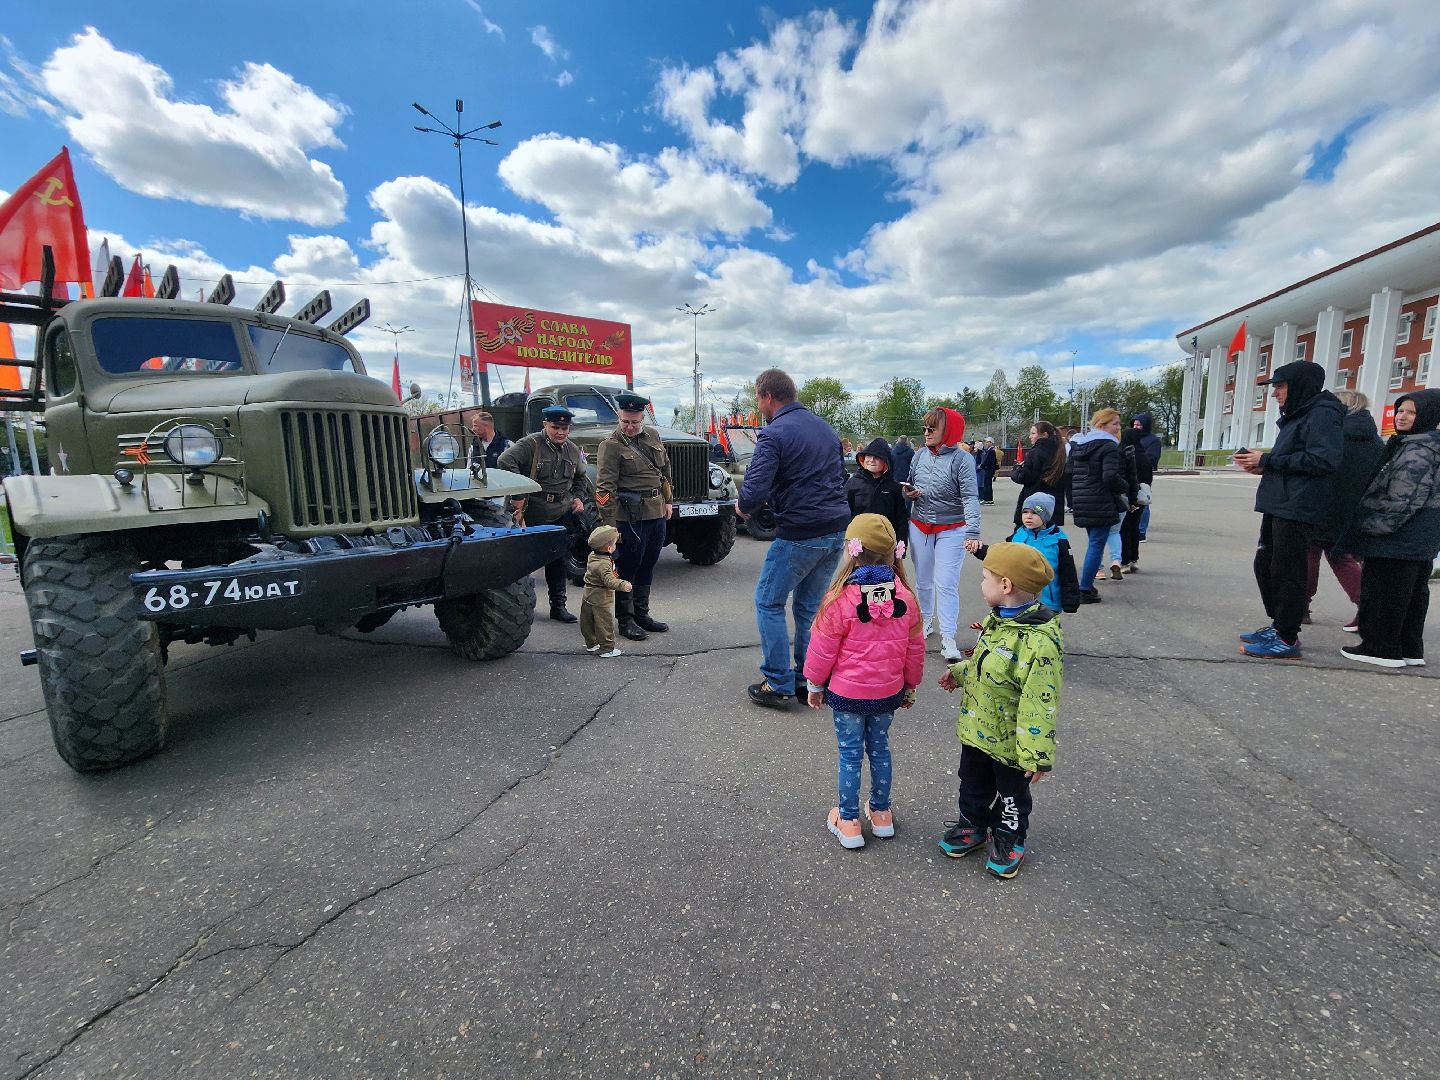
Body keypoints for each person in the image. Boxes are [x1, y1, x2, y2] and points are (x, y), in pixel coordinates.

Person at [936, 542, 1063, 879]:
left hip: (1010, 744)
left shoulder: (1039, 642)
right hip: (977, 729)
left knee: (1010, 797)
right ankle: (973, 825)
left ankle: (1008, 837)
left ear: (1005, 586)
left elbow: (1040, 701)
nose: (981, 584)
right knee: (972, 784)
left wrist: (1036, 754)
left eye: (985, 578)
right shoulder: (997, 620)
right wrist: (961, 673)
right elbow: (986, 662)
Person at [802, 514, 925, 849]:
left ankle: (849, 821)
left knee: (850, 753)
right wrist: (910, 685)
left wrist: (814, 684)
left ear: (851, 551)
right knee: (880, 749)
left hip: (847, 694)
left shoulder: (839, 599)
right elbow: (915, 649)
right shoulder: (906, 598)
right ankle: (882, 814)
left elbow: (821, 650)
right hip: (888, 693)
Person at [737, 369, 851, 709]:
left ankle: (777, 680)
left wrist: (742, 509)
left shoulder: (774, 433)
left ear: (768, 396)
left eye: (758, 399)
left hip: (800, 532)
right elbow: (840, 476)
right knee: (808, 607)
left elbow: (755, 488)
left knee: (769, 601)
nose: (758, 406)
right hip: (834, 530)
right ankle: (808, 679)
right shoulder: (825, 428)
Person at [1234, 361, 1344, 659]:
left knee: (1287, 571)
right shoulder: (1300, 414)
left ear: (1299, 386)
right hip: (1280, 502)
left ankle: (1287, 635)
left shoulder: (1322, 415)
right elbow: (1295, 459)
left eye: (1279, 387)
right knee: (1267, 564)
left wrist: (1268, 461)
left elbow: (1323, 461)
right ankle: (1280, 623)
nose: (1275, 394)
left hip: (1297, 507)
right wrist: (1261, 466)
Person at [1337, 390, 1440, 668]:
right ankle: (1408, 649)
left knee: (1385, 593)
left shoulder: (1418, 449)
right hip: (1420, 539)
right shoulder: (1426, 445)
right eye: (1400, 410)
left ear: (1428, 416)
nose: (1402, 416)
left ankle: (1380, 649)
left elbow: (1403, 498)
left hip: (1398, 538)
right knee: (1412, 596)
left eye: (1411, 412)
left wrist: (1372, 527)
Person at [497, 404, 590, 623]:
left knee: (557, 559)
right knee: (522, 560)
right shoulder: (530, 445)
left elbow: (580, 478)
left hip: (561, 511)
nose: (561, 432)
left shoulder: (573, 450)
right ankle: (518, 604)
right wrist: (519, 491)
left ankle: (558, 606)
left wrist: (577, 496)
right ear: (545, 425)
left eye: (565, 428)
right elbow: (504, 461)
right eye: (556, 427)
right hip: (532, 511)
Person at [903, 407, 982, 663]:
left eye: (931, 429)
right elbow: (910, 482)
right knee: (923, 580)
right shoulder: (918, 455)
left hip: (952, 528)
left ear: (947, 431)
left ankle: (949, 637)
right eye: (924, 428)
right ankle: (926, 621)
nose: (926, 433)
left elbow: (970, 496)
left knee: (946, 583)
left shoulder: (963, 460)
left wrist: (973, 530)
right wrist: (909, 493)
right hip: (920, 524)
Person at [594, 391, 674, 641]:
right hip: (629, 517)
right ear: (619, 417)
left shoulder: (653, 435)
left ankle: (642, 614)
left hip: (656, 512)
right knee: (628, 567)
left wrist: (669, 501)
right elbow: (604, 490)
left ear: (642, 418)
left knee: (649, 563)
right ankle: (626, 620)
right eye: (625, 422)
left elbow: (665, 469)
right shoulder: (610, 445)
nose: (630, 427)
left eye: (635, 422)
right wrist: (609, 527)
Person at [1304, 389, 1382, 631]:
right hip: (1353, 508)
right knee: (1342, 558)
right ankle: (1367, 606)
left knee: (1309, 554)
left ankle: (1300, 605)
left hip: (1321, 503)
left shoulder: (1332, 434)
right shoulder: (1374, 440)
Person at [965, 493, 1079, 615]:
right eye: (1025, 512)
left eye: (1035, 513)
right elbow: (1001, 556)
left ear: (1046, 516)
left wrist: (1070, 600)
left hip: (1048, 602)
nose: (1028, 517)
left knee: (1046, 631)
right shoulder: (1018, 535)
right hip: (1018, 599)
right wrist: (979, 550)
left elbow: (1068, 571)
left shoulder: (1058, 540)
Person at [1066, 409, 1126, 604]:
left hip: (1083, 500)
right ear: (1102, 425)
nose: (1118, 428)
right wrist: (1124, 487)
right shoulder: (1108, 446)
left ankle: (1085, 586)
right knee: (1096, 545)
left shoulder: (1080, 444)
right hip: (1100, 500)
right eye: (1115, 423)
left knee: (1094, 543)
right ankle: (1084, 588)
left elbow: (1070, 472)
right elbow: (1109, 477)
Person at [581, 525, 631, 658]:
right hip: (601, 596)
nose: (616, 545)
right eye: (614, 543)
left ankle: (591, 643)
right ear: (609, 548)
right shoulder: (604, 564)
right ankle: (607, 648)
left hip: (588, 592)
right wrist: (623, 584)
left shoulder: (593, 555)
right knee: (604, 623)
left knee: (587, 620)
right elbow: (609, 580)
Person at [846, 437, 909, 542]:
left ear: (886, 461)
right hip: (858, 543)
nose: (871, 460)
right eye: (869, 455)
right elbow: (846, 514)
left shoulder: (894, 487)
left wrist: (901, 546)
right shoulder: (853, 483)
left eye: (877, 457)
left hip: (885, 543)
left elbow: (901, 519)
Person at [1010, 420, 1067, 528]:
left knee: (1025, 539)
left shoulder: (1035, 453)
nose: (1030, 436)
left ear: (1044, 435)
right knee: (1048, 536)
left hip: (1034, 504)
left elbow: (1025, 477)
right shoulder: (1060, 452)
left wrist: (1017, 470)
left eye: (1033, 433)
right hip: (1053, 504)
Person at [1118, 422, 1152, 573]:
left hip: (1128, 495)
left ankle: (1124, 560)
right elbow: (1149, 478)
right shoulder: (1144, 456)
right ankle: (1134, 559)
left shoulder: (1126, 454)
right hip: (1142, 496)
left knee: (1124, 529)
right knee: (1135, 528)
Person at [1131, 413, 1162, 541]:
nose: (1136, 427)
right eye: (1134, 424)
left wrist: (1137, 459)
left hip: (1144, 473)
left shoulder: (1153, 440)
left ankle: (1141, 531)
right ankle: (1132, 528)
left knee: (1143, 500)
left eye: (1138, 424)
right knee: (1132, 501)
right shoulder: (1132, 437)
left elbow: (1152, 458)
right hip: (1131, 472)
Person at [976, 437, 999, 504]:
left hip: (989, 469)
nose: (986, 443)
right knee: (987, 484)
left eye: (988, 442)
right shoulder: (990, 450)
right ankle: (988, 498)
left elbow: (987, 460)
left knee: (987, 485)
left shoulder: (991, 451)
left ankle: (988, 499)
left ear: (991, 443)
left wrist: (981, 465)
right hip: (990, 469)